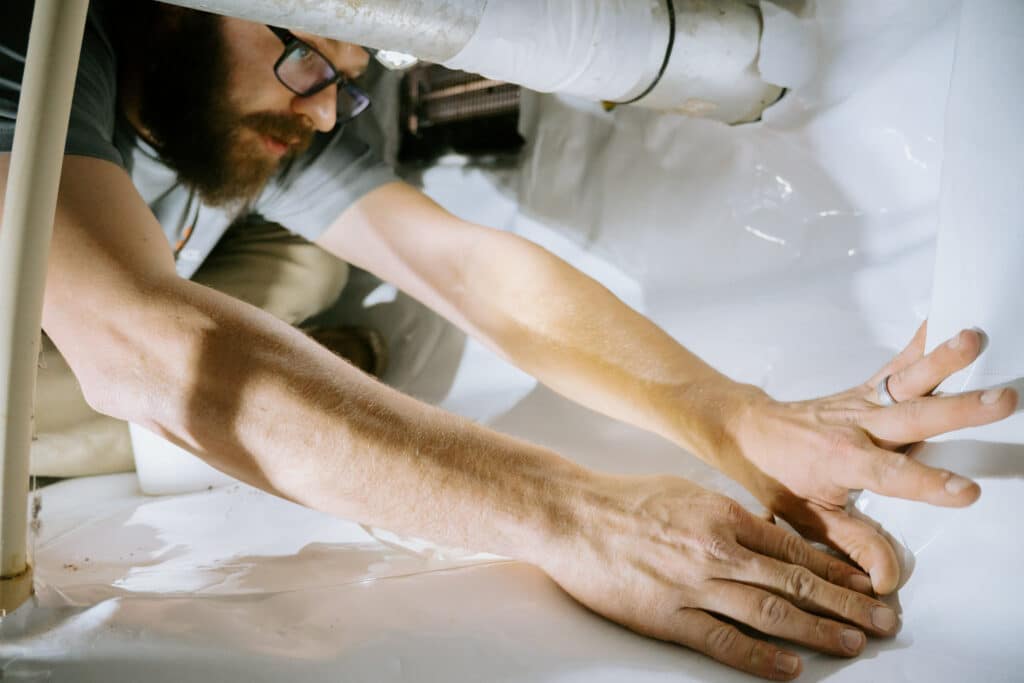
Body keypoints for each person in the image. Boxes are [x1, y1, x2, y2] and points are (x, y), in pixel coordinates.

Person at [0, 2, 1015, 679]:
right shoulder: (30, 39)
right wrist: (576, 514)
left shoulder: (247, 82)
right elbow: (137, 339)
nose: (321, 110)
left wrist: (733, 417)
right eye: (309, 55)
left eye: (349, 78)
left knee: (310, 269)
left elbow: (463, 266)